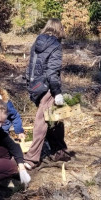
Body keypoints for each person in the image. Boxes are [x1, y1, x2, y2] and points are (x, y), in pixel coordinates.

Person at [23, 19, 66, 169]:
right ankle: (31, 159)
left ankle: (58, 150)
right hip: (47, 87)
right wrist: (57, 92)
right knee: (42, 121)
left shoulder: (38, 41)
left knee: (55, 118)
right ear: (58, 29)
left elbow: (31, 66)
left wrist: (30, 84)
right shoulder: (55, 45)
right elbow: (52, 72)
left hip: (35, 85)